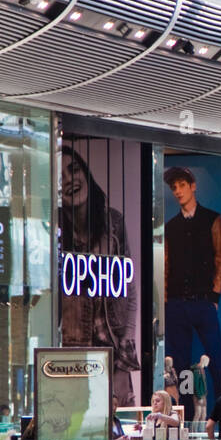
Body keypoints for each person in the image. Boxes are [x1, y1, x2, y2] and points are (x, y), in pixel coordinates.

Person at [60, 144, 141, 405]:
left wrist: (126, 348)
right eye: (60, 178)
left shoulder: (113, 222)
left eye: (74, 169)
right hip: (73, 356)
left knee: (121, 426)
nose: (70, 180)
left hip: (113, 352)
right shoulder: (55, 232)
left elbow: (129, 291)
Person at [164, 165, 221, 418]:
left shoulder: (212, 219)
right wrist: (168, 298)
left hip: (203, 300)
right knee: (180, 364)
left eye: (181, 185)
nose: (178, 191)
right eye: (174, 187)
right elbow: (166, 264)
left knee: (217, 360)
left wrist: (214, 295)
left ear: (193, 186)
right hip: (177, 302)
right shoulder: (170, 226)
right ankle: (187, 417)